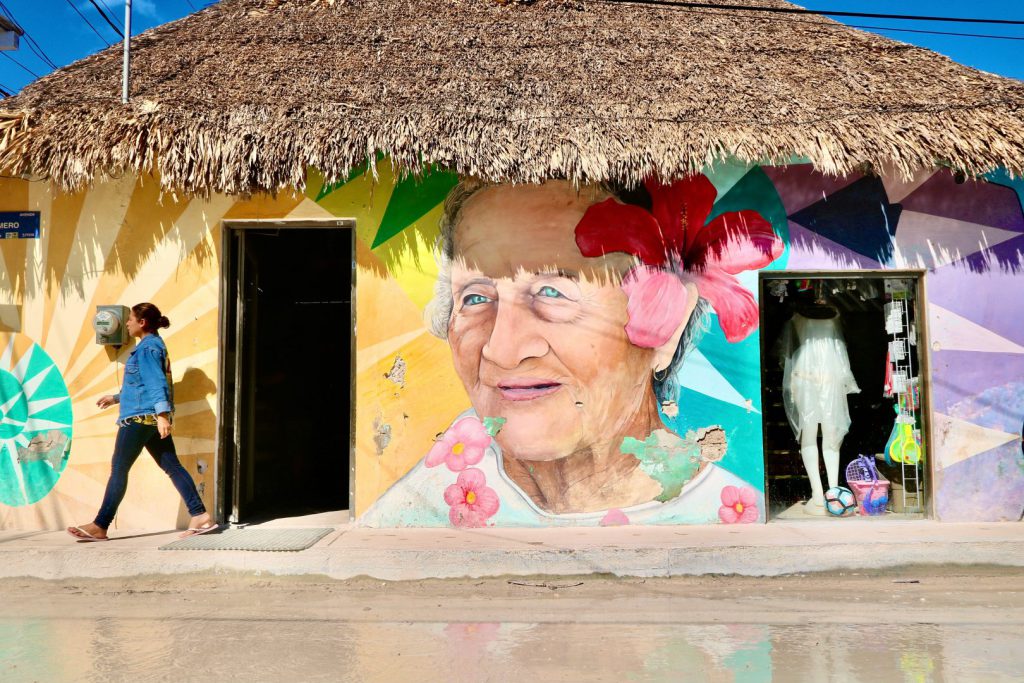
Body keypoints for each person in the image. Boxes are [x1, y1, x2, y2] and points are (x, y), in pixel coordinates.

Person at [360, 176, 783, 527]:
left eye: (552, 292)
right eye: (475, 297)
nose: (502, 350)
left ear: (667, 329)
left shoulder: (729, 517)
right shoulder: (423, 497)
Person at [67, 303, 216, 541]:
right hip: (149, 418)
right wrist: (116, 398)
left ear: (142, 322)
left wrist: (162, 415)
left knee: (119, 469)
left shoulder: (147, 348)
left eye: (130, 319)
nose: (127, 323)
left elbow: (156, 382)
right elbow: (142, 385)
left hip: (139, 419)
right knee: (173, 467)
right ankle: (200, 515)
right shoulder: (153, 345)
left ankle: (100, 525)